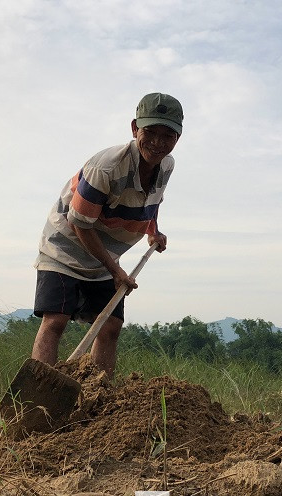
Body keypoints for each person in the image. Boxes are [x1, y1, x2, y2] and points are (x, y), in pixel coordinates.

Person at [31, 92, 182, 377]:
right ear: (135, 128)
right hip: (65, 246)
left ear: (178, 137)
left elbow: (152, 199)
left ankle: (98, 400)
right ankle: (36, 401)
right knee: (56, 321)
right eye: (150, 132)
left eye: (168, 135)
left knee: (110, 326)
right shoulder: (107, 167)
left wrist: (153, 230)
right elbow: (80, 224)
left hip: (105, 256)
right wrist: (115, 270)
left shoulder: (167, 165)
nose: (158, 143)